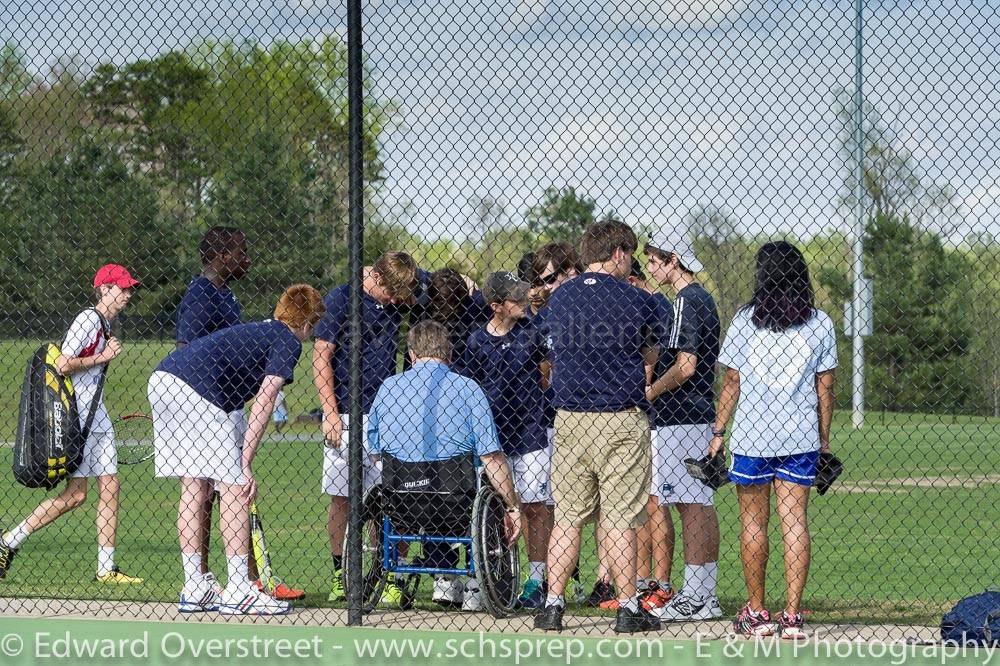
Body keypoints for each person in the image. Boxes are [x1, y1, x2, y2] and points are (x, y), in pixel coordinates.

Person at [149, 284, 325, 615]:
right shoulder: (287, 339)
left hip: (164, 379)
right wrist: (243, 464)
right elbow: (266, 398)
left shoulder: (260, 330)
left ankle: (195, 587)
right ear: (307, 321)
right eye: (313, 325)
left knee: (195, 485)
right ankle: (240, 589)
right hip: (198, 392)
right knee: (234, 489)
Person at [533, 219, 662, 634]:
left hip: (570, 419)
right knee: (621, 516)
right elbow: (650, 351)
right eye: (631, 255)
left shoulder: (559, 299)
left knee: (568, 516)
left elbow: (546, 353)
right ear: (619, 253)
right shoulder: (637, 299)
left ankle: (552, 605)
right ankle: (627, 608)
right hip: (621, 418)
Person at [711, 241, 836, 639]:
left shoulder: (746, 320)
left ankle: (758, 611)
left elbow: (732, 380)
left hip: (752, 437)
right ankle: (793, 616)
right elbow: (826, 386)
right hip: (800, 436)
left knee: (753, 524)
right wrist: (824, 441)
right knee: (795, 522)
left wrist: (718, 432)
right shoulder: (819, 322)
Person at [0, 264, 143, 584]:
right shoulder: (88, 320)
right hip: (79, 417)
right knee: (76, 496)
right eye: (122, 288)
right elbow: (63, 364)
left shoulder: (105, 324)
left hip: (97, 415)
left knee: (111, 486)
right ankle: (9, 541)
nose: (128, 294)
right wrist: (103, 357)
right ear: (104, 289)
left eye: (130, 288)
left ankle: (106, 569)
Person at [368, 320, 522, 612]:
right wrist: (512, 504)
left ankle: (444, 578)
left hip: (401, 499)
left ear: (412, 354)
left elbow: (375, 451)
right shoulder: (467, 388)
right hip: (455, 499)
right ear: (449, 354)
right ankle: (476, 582)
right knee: (486, 484)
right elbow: (491, 455)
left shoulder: (389, 388)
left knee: (427, 490)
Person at [313, 252, 420, 606]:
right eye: (390, 294)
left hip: (387, 414)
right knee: (342, 497)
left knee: (394, 497)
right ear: (373, 277)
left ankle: (392, 573)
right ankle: (340, 573)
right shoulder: (340, 299)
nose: (394, 303)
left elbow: (438, 283)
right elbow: (320, 356)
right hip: (345, 412)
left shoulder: (395, 294)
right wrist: (330, 412)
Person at [643, 228, 723, 621]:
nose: (651, 267)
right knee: (700, 503)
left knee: (689, 503)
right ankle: (705, 592)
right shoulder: (701, 298)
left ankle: (694, 594)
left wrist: (651, 392)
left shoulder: (686, 300)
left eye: (656, 261)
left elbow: (686, 366)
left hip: (681, 416)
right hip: (695, 415)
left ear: (674, 260)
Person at [464, 272, 551, 610]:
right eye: (514, 299)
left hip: (529, 433)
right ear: (496, 306)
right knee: (491, 508)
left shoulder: (533, 333)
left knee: (533, 508)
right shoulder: (476, 342)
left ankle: (536, 578)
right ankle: (490, 576)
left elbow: (545, 374)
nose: (523, 302)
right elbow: (471, 391)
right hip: (492, 439)